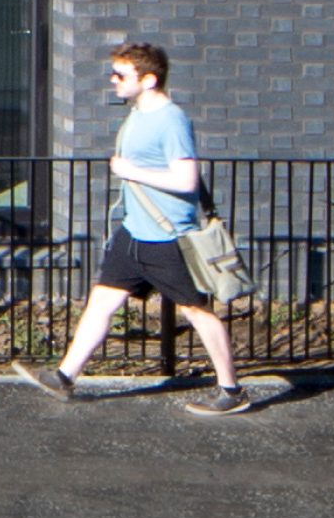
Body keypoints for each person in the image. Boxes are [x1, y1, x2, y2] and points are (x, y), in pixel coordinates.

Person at [17, 43, 253, 413]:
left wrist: (130, 172)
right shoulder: (138, 114)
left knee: (197, 312)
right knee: (101, 302)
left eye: (121, 75)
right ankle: (64, 376)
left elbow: (187, 180)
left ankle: (232, 392)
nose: (113, 80)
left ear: (149, 79)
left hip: (168, 238)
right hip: (133, 235)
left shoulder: (170, 120)